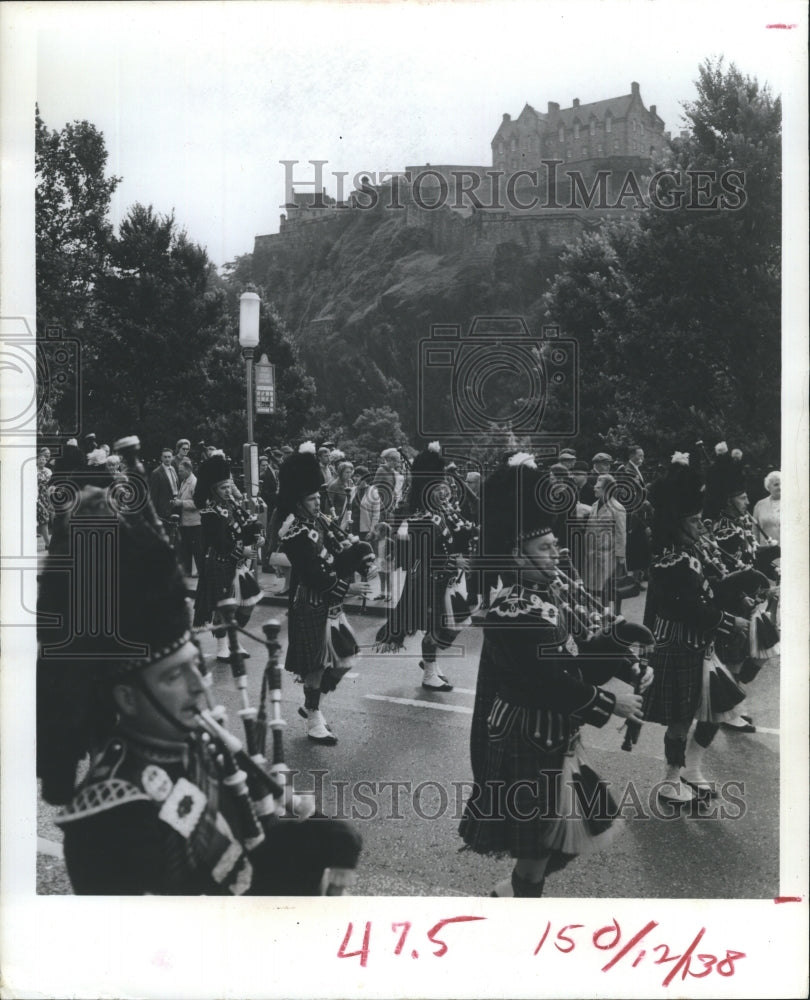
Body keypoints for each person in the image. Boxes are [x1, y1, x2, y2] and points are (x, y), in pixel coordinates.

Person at [37, 485, 362, 895]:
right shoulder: (108, 820)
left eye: (195, 663)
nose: (199, 686)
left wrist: (306, 833)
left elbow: (249, 845)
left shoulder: (196, 744)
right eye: (174, 677)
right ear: (126, 698)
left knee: (337, 837)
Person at [458, 455, 653, 897]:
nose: (556, 553)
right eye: (545, 547)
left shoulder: (540, 597)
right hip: (527, 738)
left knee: (561, 838)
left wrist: (621, 644)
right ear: (515, 553)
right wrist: (610, 703)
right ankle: (519, 905)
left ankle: (511, 894)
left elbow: (577, 655)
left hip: (551, 736)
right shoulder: (512, 608)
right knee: (541, 847)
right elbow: (545, 680)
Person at [641, 452, 758, 804]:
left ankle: (692, 768)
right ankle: (669, 779)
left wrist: (744, 581)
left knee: (716, 712)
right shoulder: (669, 559)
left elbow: (710, 591)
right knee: (680, 720)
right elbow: (689, 608)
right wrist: (729, 620)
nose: (700, 525)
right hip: (678, 646)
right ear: (676, 523)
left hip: (701, 645)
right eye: (693, 521)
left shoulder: (690, 552)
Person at [277, 443, 376, 744]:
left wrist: (363, 557)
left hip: (329, 606)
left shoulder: (320, 521)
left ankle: (311, 705)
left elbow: (341, 548)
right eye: (311, 498)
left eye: (318, 496)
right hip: (309, 604)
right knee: (316, 667)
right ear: (297, 502)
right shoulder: (293, 533)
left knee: (344, 660)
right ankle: (313, 716)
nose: (317, 502)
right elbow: (315, 574)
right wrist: (350, 589)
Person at [374, 442, 478, 692]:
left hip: (448, 577)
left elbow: (464, 530)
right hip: (428, 579)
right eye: (438, 487)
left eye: (444, 487)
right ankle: (429, 672)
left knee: (458, 623)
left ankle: (428, 662)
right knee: (436, 626)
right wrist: (454, 560)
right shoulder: (421, 518)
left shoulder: (444, 510)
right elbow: (421, 555)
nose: (444, 491)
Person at [192, 451, 264, 661]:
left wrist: (258, 535)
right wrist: (241, 550)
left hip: (238, 563)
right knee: (226, 606)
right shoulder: (209, 512)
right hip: (220, 561)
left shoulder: (233, 505)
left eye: (228, 487)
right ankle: (223, 646)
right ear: (214, 490)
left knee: (248, 603)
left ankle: (232, 640)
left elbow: (248, 525)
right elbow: (217, 541)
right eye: (223, 488)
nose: (227, 491)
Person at [582, 473, 626, 607]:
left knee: (611, 588)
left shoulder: (617, 507)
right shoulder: (595, 505)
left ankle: (615, 615)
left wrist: (620, 556)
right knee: (595, 588)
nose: (594, 488)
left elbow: (621, 532)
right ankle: (600, 615)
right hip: (593, 553)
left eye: (598, 487)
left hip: (609, 555)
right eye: (595, 486)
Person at [176, 457, 202, 577]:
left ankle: (199, 571)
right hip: (185, 521)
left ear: (188, 470)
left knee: (196, 548)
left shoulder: (194, 483)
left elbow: (198, 503)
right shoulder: (184, 481)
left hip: (194, 522)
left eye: (181, 470)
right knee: (186, 547)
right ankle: (188, 571)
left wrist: (181, 503)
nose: (179, 473)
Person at [148, 447, 180, 532]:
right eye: (165, 457)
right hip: (163, 510)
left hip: (175, 506)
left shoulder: (173, 469)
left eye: (169, 457)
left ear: (172, 457)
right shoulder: (156, 473)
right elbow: (153, 495)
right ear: (161, 458)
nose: (167, 459)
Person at [752, 470, 781, 545]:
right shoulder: (760, 505)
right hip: (767, 551)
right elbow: (755, 531)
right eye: (776, 484)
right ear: (768, 487)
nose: (780, 487)